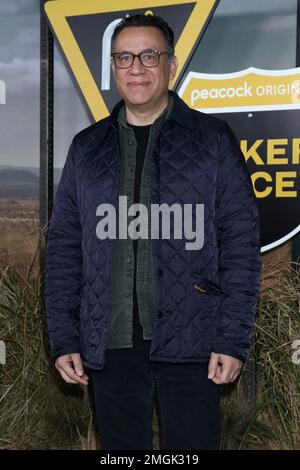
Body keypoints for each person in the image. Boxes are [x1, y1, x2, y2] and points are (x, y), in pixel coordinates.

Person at [45, 13, 261, 450]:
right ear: (112, 67)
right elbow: (65, 248)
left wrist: (232, 339)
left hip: (194, 339)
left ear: (171, 64)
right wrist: (63, 336)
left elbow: (240, 244)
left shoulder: (212, 139)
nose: (137, 67)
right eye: (124, 57)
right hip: (110, 340)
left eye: (149, 55)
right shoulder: (86, 148)